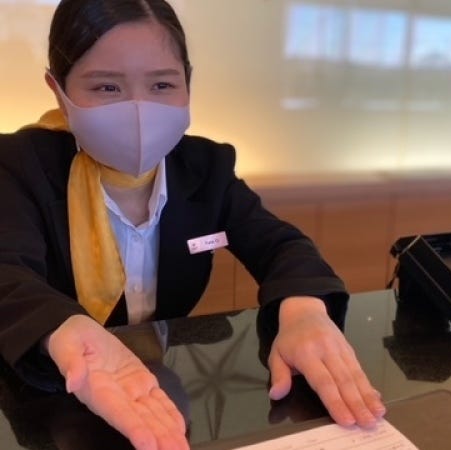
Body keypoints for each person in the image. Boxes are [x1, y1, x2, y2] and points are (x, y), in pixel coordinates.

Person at [0, 1, 385, 449]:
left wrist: (304, 311)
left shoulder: (206, 167)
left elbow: (281, 245)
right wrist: (66, 331)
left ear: (188, 83)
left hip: (160, 395)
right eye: (106, 87)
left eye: (162, 84)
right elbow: (8, 273)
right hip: (44, 397)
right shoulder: (19, 165)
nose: (139, 109)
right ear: (58, 91)